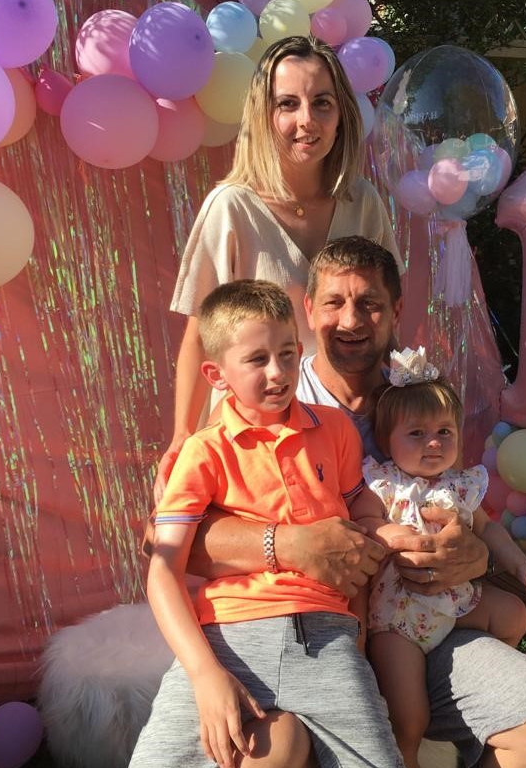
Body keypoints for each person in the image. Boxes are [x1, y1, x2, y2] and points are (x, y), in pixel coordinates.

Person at [183, 236, 526, 768]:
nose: (351, 320)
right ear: (309, 310)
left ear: (396, 310)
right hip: (310, 633)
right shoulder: (265, 393)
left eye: (369, 303)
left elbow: (460, 505)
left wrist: (475, 555)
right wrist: (290, 543)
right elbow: (178, 543)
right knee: (269, 753)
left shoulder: (421, 393)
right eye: (334, 302)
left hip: (419, 620)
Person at [132, 279, 404, 768]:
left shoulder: (336, 430)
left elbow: (357, 518)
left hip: (328, 637)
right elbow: (162, 571)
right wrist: (205, 675)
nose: (277, 372)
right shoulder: (203, 451)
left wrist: (358, 634)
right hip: (228, 637)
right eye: (257, 360)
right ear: (216, 374)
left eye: (286, 354)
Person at [156, 35, 400, 501]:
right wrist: (182, 439)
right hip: (258, 448)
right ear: (264, 116)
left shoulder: (363, 202)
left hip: (352, 440)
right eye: (288, 103)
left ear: (342, 114)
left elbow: (385, 320)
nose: (307, 119)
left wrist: (401, 410)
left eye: (322, 102)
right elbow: (199, 335)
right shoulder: (231, 207)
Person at [350, 347, 526, 768]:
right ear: (387, 441)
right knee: (409, 719)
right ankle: (407, 757)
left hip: (454, 605)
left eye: (445, 431)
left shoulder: (460, 486)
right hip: (399, 619)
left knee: (514, 615)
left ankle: (465, 696)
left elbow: (489, 530)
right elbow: (364, 523)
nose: (434, 442)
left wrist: (522, 567)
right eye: (417, 433)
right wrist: (391, 533)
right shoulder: (385, 484)